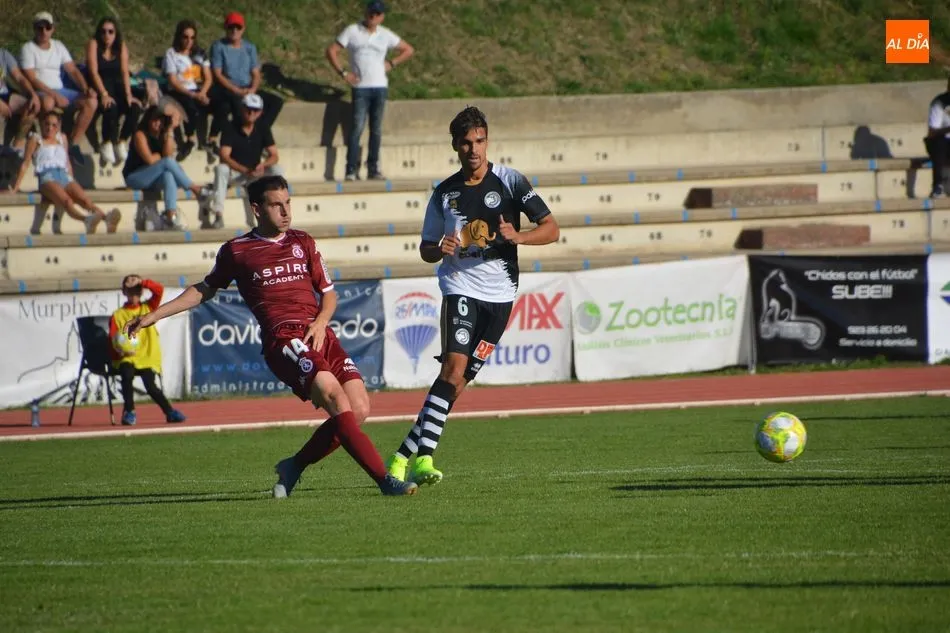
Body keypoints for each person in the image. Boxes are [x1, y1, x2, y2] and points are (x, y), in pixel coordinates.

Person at [124, 175, 418, 498]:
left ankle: (293, 465)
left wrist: (321, 321)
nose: (285, 211)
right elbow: (204, 290)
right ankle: (384, 481)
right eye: (277, 204)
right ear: (257, 209)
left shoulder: (303, 242)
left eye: (288, 203)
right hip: (284, 339)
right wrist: (153, 315)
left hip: (319, 331)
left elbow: (329, 294)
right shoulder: (238, 251)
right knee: (335, 397)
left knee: (359, 408)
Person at [384, 106, 560, 485]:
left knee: (456, 385)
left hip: (501, 297)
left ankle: (401, 457)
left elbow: (551, 228)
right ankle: (424, 460)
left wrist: (518, 237)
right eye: (466, 143)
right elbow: (426, 249)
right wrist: (439, 249)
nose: (474, 149)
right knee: (453, 369)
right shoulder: (445, 193)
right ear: (455, 147)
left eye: (479, 141)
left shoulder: (511, 181)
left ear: (487, 141)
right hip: (460, 287)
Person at [326, 0, 414, 181]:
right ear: (366, 13)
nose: (373, 17)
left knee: (376, 129)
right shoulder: (353, 31)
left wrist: (391, 63)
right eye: (371, 13)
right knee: (357, 128)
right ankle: (351, 169)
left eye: (377, 14)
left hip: (380, 87)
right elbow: (332, 50)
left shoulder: (385, 34)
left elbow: (408, 49)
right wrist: (343, 73)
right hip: (360, 87)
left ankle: (373, 168)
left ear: (381, 17)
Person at [8, 109, 121, 234]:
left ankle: (107, 219)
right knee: (67, 201)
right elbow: (26, 163)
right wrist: (15, 187)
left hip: (64, 175)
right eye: (47, 124)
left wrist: (72, 180)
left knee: (85, 200)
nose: (50, 128)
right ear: (42, 124)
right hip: (47, 176)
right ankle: (86, 220)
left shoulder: (62, 139)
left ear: (58, 127)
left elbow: (66, 161)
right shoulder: (35, 139)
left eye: (54, 125)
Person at [109, 274, 187, 426]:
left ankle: (169, 411)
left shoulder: (148, 308)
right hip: (127, 357)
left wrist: (142, 282)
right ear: (123, 291)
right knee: (127, 375)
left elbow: (158, 290)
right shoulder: (118, 315)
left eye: (137, 290)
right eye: (130, 290)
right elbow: (113, 339)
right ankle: (129, 412)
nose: (134, 294)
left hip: (147, 356)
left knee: (150, 385)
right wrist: (121, 352)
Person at [19, 11, 98, 161]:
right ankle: (46, 143)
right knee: (48, 102)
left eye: (47, 27)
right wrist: (55, 95)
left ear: (52, 29)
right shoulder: (27, 48)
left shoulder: (58, 46)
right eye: (39, 28)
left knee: (91, 102)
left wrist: (86, 88)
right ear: (34, 29)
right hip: (41, 90)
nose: (43, 31)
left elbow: (73, 70)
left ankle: (72, 144)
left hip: (61, 90)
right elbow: (32, 79)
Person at [122, 106, 209, 230]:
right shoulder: (140, 134)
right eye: (155, 120)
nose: (158, 123)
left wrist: (169, 130)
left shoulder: (162, 135)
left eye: (161, 121)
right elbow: (150, 160)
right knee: (167, 164)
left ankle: (170, 217)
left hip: (152, 179)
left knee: (168, 175)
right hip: (134, 177)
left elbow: (168, 156)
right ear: (148, 120)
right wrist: (158, 156)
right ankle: (195, 189)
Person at [206, 93, 282, 229]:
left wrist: (262, 165)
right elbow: (224, 156)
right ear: (242, 109)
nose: (251, 113)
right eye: (248, 109)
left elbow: (274, 155)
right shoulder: (230, 127)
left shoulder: (263, 127)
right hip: (237, 173)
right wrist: (245, 170)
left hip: (255, 174)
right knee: (221, 169)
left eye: (255, 110)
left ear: (260, 112)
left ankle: (278, 211)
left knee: (277, 170)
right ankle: (218, 214)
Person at [209, 12, 283, 140]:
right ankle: (240, 137)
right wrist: (236, 90)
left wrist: (253, 89)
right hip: (227, 88)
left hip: (247, 87)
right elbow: (218, 74)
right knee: (239, 105)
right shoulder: (219, 47)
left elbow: (255, 73)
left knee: (276, 102)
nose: (234, 30)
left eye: (238, 27)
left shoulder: (250, 47)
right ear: (226, 28)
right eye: (231, 27)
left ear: (243, 29)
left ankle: (260, 132)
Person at [85, 17, 142, 167]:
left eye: (111, 32)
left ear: (115, 33)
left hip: (118, 86)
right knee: (111, 107)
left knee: (135, 108)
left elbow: (124, 72)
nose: (107, 35)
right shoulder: (93, 44)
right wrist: (103, 93)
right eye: (103, 32)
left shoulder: (120, 46)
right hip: (101, 85)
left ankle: (122, 141)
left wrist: (129, 95)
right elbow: (93, 71)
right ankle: (106, 142)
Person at [162, 19, 213, 159]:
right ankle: (190, 139)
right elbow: (172, 80)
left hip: (197, 89)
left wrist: (202, 93)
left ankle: (212, 141)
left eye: (192, 37)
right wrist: (192, 95)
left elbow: (208, 78)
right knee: (190, 106)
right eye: (185, 37)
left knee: (220, 104)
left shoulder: (200, 54)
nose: (189, 41)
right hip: (178, 90)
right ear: (179, 37)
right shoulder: (172, 53)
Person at [0, 47, 42, 158]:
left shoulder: (3, 54)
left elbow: (19, 77)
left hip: (4, 94)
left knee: (31, 106)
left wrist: (33, 94)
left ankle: (17, 145)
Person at [925, 76, 950, 198]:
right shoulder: (939, 103)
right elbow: (932, 132)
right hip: (940, 143)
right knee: (940, 143)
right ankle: (938, 185)